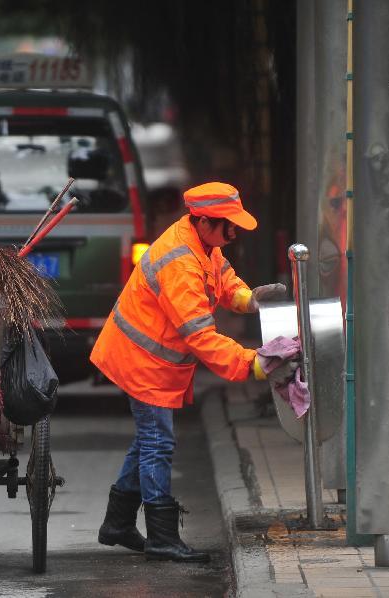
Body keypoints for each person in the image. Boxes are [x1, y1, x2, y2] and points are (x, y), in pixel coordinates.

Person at [91, 181, 295, 562]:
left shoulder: (204, 245)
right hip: (142, 361)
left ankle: (117, 524)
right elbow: (200, 335)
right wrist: (251, 363)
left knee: (148, 440)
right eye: (227, 225)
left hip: (152, 360)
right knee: (157, 443)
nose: (233, 233)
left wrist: (251, 299)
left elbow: (224, 281)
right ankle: (161, 537)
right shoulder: (180, 261)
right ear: (201, 221)